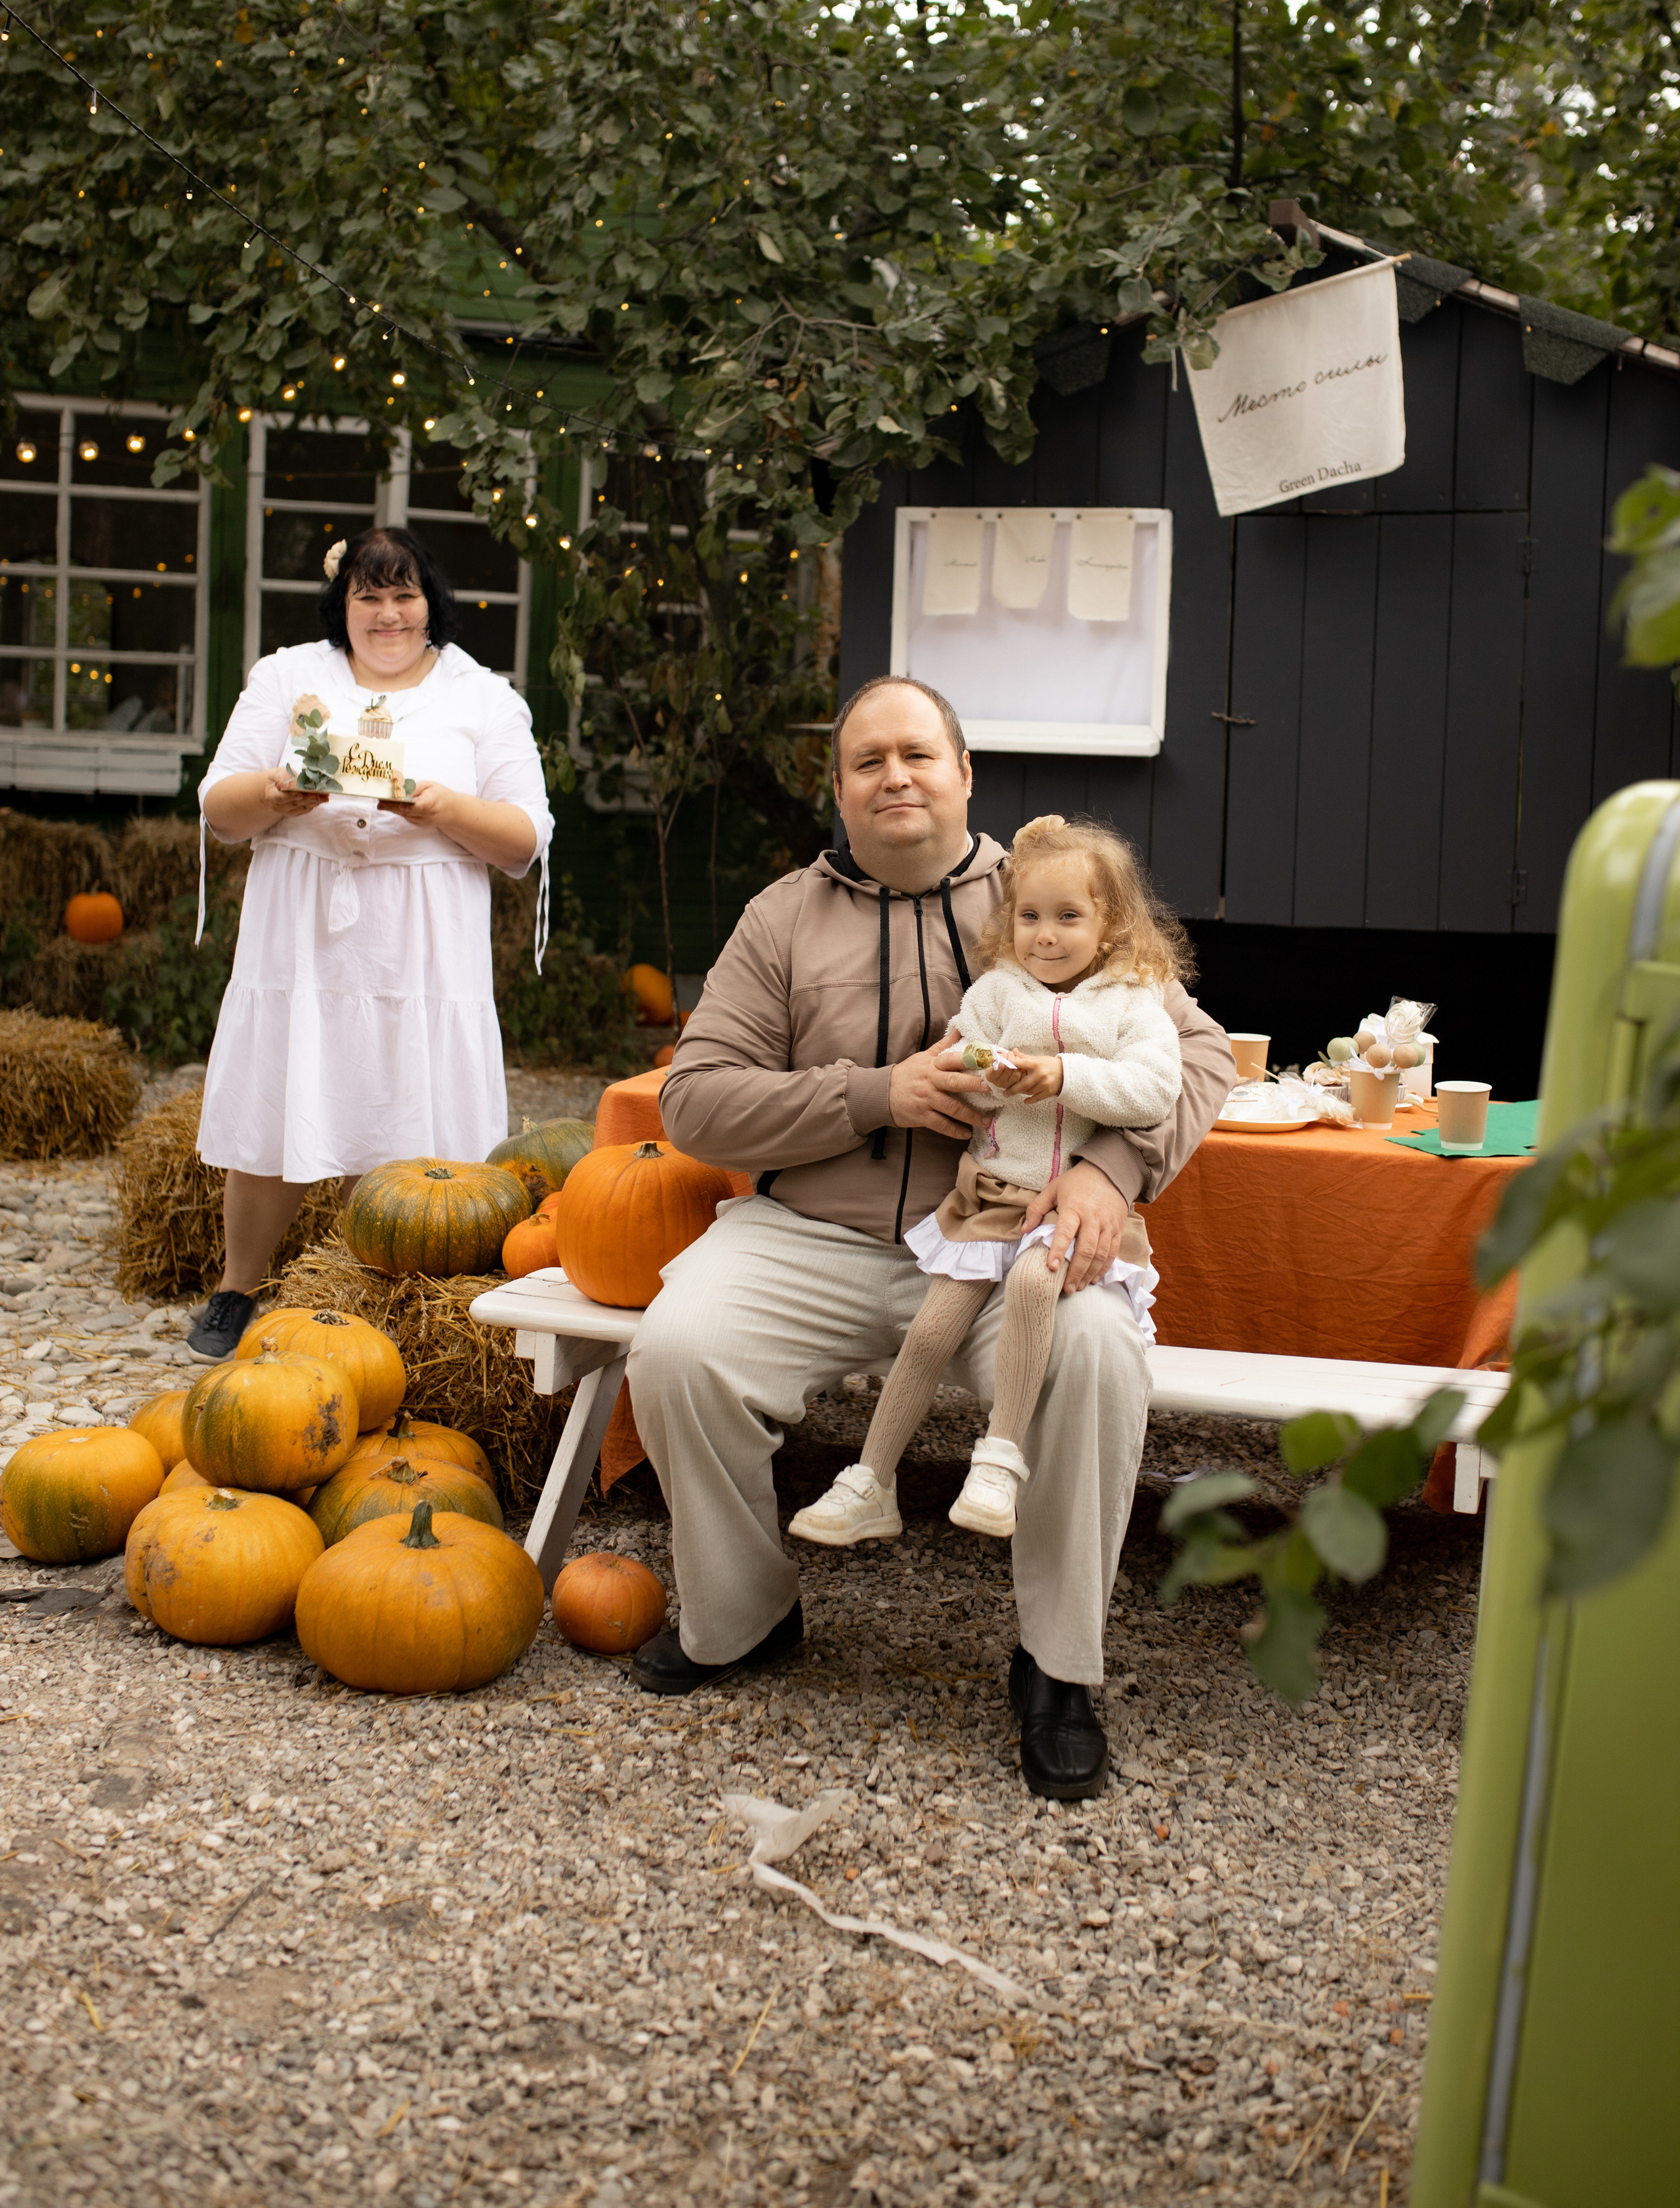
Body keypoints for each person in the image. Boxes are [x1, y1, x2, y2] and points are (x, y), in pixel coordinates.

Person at [625, 674, 1233, 1801]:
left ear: (964, 775)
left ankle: (1058, 1669)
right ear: (842, 792)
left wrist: (1114, 1169)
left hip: (1011, 1242)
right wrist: (875, 1094)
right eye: (868, 761)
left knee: (1097, 1354)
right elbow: (696, 1100)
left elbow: (1196, 1058)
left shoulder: (1054, 894)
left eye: (918, 754)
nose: (895, 775)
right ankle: (743, 1616)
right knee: (676, 1348)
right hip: (819, 1234)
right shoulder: (781, 919)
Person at [187, 523, 553, 1360]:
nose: (387, 614)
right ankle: (238, 1287)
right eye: (368, 596)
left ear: (432, 605)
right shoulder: (286, 676)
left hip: (422, 936)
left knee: (405, 1101)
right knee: (279, 1094)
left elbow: (524, 836)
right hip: (302, 921)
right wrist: (276, 793)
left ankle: (391, 1291)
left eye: (403, 595)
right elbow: (219, 804)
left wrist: (442, 808)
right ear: (341, 606)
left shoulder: (483, 696)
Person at [789, 813, 1183, 1548]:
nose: (1046, 935)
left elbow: (1155, 1091)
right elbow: (964, 1076)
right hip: (989, 1197)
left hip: (1063, 1210)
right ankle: (870, 1480)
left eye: (1069, 917)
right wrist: (982, 1072)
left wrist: (1062, 1076)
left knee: (1036, 1285)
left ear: (1111, 924)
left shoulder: (1137, 1000)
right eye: (1030, 916)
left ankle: (998, 1460)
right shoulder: (1001, 993)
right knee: (933, 1327)